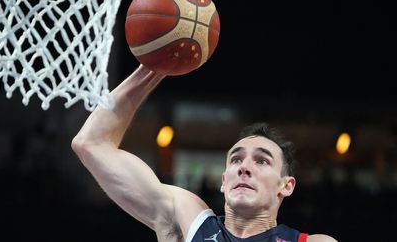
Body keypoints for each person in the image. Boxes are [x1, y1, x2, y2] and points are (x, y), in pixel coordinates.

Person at [71, 65, 337, 242]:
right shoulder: (189, 220)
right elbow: (91, 144)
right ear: (224, 180)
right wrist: (153, 67)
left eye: (262, 161)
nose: (244, 167)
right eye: (235, 159)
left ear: (286, 186)